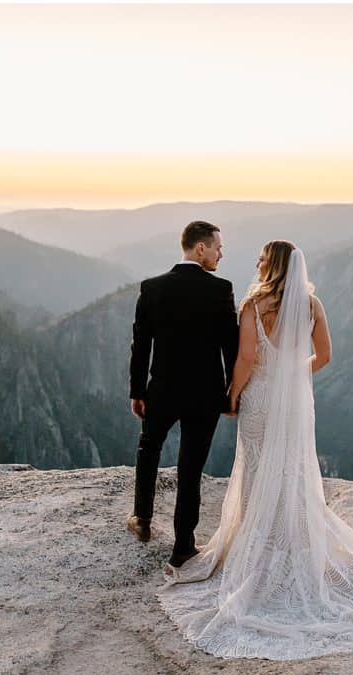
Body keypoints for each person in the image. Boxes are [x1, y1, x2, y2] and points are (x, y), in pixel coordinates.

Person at [155, 240, 353, 660]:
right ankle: (294, 545)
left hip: (259, 398)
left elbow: (245, 357)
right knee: (292, 469)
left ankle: (257, 547)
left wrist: (232, 395)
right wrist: (291, 373)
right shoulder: (311, 304)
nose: (256, 262)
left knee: (259, 469)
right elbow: (326, 355)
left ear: (272, 265)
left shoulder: (253, 305)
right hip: (294, 401)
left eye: (261, 258)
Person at [127, 220, 240, 569]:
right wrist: (230, 394)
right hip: (205, 395)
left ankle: (142, 520)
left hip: (161, 389)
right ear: (200, 248)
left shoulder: (152, 288)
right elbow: (231, 349)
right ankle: (182, 546)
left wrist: (137, 390)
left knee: (149, 451)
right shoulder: (221, 289)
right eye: (218, 247)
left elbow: (141, 345)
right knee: (191, 469)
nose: (222, 253)